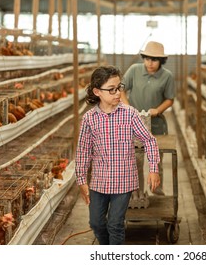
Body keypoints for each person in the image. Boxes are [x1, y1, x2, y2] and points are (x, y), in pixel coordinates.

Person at [75, 65, 160, 245]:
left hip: (124, 180)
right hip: (99, 181)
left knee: (115, 224)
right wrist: (81, 179)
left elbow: (149, 140)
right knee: (97, 223)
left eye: (119, 87)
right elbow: (83, 151)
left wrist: (154, 169)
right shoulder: (89, 119)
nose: (118, 93)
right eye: (111, 90)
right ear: (97, 91)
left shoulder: (130, 114)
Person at [121, 41, 175, 199]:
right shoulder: (134, 70)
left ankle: (157, 192)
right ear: (143, 58)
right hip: (134, 124)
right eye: (147, 59)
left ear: (161, 61)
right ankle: (136, 194)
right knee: (136, 160)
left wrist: (157, 110)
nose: (150, 63)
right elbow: (122, 90)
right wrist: (129, 108)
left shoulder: (167, 76)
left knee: (156, 160)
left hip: (156, 124)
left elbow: (170, 99)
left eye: (155, 60)